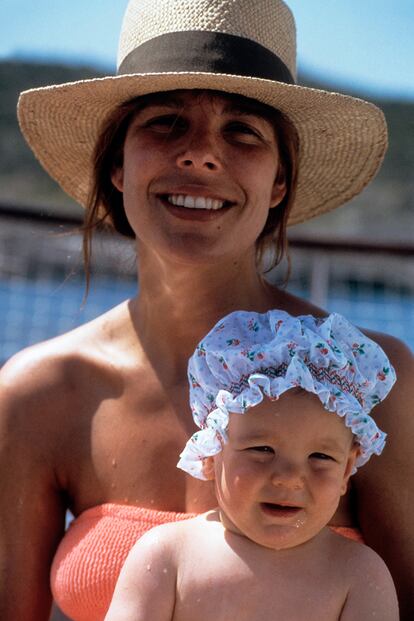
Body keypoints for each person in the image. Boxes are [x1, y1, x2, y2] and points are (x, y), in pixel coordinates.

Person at [1, 0, 413, 620]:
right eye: (166, 122)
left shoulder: (372, 384)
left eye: (242, 130)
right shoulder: (37, 396)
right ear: (117, 164)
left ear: (279, 182)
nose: (199, 155)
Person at [105, 309, 399, 620]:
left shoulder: (358, 575)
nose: (290, 478)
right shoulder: (169, 556)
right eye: (262, 449)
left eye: (321, 457)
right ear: (210, 452)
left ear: (347, 469)